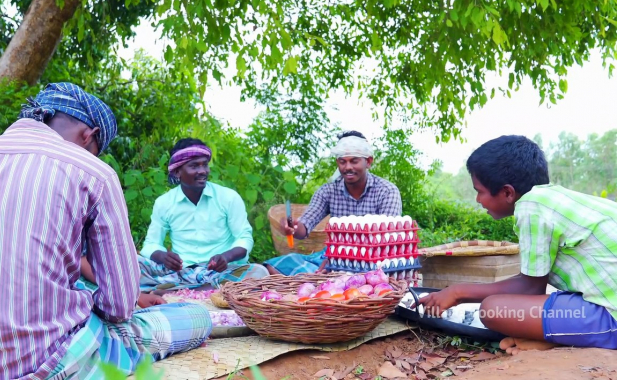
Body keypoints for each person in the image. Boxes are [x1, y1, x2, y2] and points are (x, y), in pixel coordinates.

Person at [0, 83, 211, 379]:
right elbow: (118, 307)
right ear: (89, 135)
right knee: (197, 316)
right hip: (59, 361)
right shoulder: (93, 172)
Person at [419, 135, 617, 355]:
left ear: (507, 192)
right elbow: (531, 281)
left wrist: (457, 292)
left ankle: (565, 339)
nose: (478, 200)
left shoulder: (532, 207)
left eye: (479, 191)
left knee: (493, 310)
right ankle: (554, 336)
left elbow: (531, 288)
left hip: (611, 314)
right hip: (604, 300)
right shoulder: (553, 199)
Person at [137, 138, 269, 293]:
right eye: (194, 166)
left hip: (221, 272)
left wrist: (226, 257)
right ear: (178, 171)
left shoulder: (228, 197)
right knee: (132, 264)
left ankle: (180, 291)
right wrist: (163, 257)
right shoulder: (164, 203)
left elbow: (244, 238)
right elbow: (151, 244)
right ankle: (203, 291)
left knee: (259, 273)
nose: (202, 171)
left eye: (204, 164)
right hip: (180, 273)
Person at [264, 131, 403, 276]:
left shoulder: (387, 191)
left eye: (354, 161)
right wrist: (293, 228)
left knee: (352, 275)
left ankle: (320, 281)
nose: (347, 167)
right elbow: (304, 227)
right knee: (273, 266)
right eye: (342, 161)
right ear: (337, 162)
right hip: (332, 255)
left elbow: (388, 240)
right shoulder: (328, 191)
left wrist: (342, 259)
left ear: (368, 162)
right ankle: (317, 281)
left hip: (373, 257)